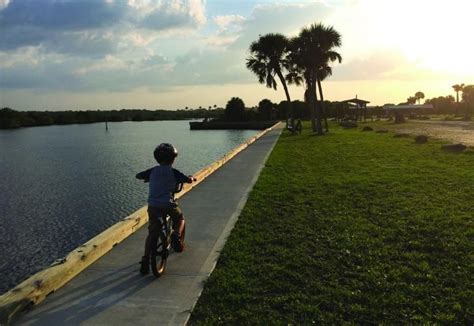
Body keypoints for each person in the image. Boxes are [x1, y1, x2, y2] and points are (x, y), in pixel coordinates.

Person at [136, 143, 196, 275]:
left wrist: (147, 178)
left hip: (153, 206)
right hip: (168, 203)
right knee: (180, 219)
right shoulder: (173, 172)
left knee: (152, 232)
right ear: (173, 159)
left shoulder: (152, 171)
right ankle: (176, 235)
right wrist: (191, 178)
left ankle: (145, 260)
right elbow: (188, 180)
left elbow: (138, 175)